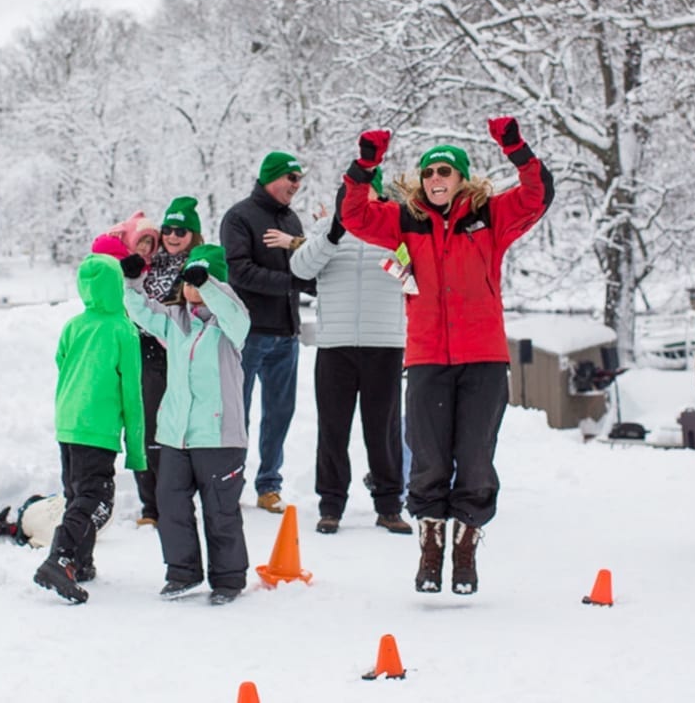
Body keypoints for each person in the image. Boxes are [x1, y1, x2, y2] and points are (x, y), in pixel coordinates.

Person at [338, 119, 553, 595]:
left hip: (483, 358)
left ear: (461, 179)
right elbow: (353, 215)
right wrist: (365, 163)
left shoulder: (490, 218)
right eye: (429, 172)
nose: (436, 180)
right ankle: (431, 549)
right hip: (428, 357)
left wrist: (514, 147)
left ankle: (467, 548)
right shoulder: (403, 220)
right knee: (430, 460)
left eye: (446, 172)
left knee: (475, 459)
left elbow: (537, 194)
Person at [276, 172, 410, 535]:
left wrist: (395, 261)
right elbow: (300, 268)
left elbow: (413, 277)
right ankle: (331, 505)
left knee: (382, 430)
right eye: (351, 195)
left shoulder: (396, 228)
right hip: (335, 345)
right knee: (332, 429)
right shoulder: (325, 230)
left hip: (384, 343)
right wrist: (333, 233)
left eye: (366, 194)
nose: (358, 201)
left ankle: (389, 505)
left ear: (379, 197)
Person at [122, 244, 252, 605]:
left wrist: (208, 283)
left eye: (199, 279)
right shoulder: (176, 320)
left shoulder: (231, 325)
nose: (190, 287)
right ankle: (182, 571)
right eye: (189, 280)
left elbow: (231, 312)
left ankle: (228, 578)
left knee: (220, 511)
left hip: (219, 437)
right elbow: (140, 311)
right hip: (176, 436)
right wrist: (134, 282)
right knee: (171, 503)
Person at [33, 254, 146, 604]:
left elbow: (61, 362)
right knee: (95, 498)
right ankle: (60, 558)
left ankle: (80, 562)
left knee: (75, 494)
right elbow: (132, 393)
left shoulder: (74, 325)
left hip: (67, 423)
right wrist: (137, 448)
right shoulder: (123, 329)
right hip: (97, 429)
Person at [220, 152, 316, 513]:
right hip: (248, 334)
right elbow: (239, 272)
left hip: (286, 336)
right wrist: (295, 283)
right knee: (236, 413)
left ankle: (269, 485)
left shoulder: (291, 219)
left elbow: (305, 267)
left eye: (299, 179)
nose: (296, 185)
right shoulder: (239, 217)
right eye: (291, 178)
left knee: (280, 412)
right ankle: (231, 482)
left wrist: (314, 282)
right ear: (271, 177)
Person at [129, 196, 205, 527]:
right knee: (147, 426)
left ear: (194, 235)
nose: (173, 236)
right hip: (147, 354)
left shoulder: (201, 266)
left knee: (182, 430)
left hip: (185, 354)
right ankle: (150, 505)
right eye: (169, 230)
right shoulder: (147, 263)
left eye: (182, 231)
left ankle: (180, 497)